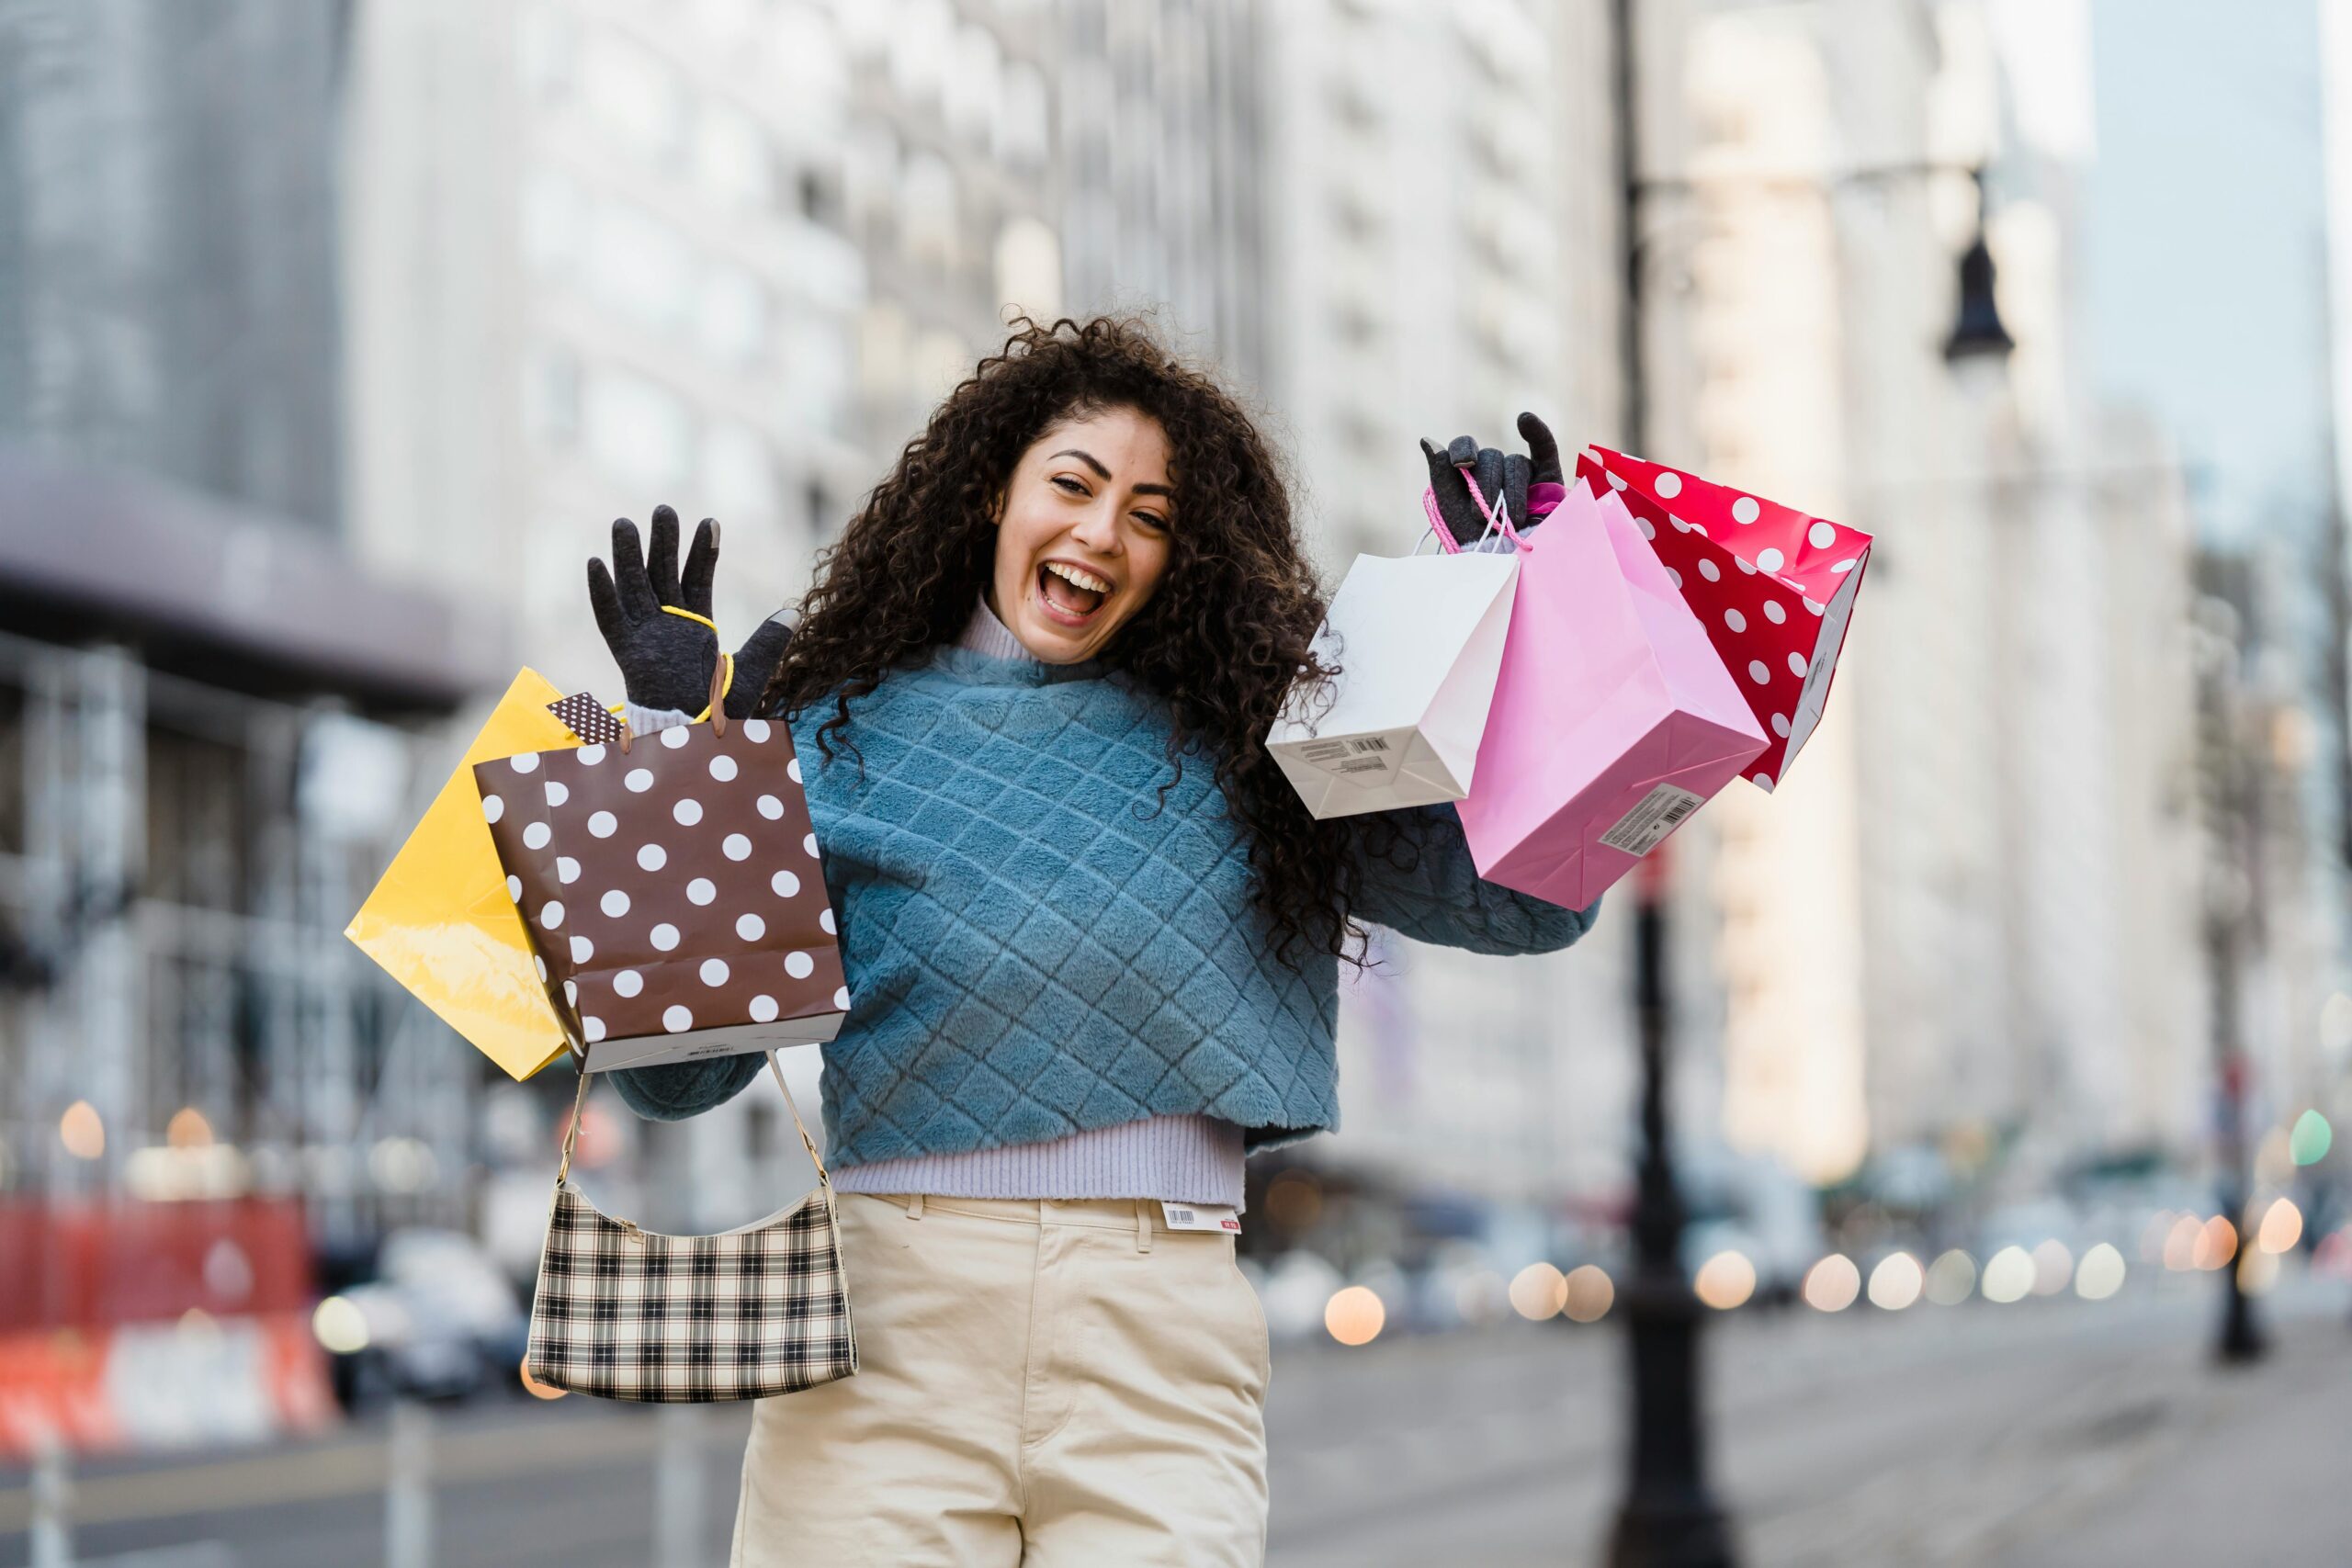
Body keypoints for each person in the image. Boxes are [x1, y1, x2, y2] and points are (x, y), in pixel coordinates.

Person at [583, 315, 1598, 1567]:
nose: (1101, 532)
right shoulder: (831, 727)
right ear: (988, 492)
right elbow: (677, 1082)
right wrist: (686, 754)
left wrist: (1550, 608)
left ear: (1186, 553)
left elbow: (1527, 901)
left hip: (1158, 1347)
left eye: (1152, 513)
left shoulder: (1269, 730)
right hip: (883, 1340)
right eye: (1071, 483)